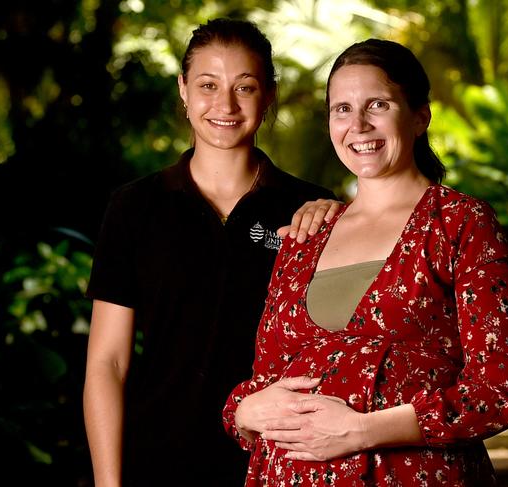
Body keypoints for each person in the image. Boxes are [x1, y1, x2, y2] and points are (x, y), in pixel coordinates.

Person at [223, 38, 508, 486]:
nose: (359, 125)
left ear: (420, 117)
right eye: (342, 109)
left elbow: (502, 387)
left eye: (378, 105)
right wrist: (244, 411)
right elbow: (265, 379)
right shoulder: (307, 236)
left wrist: (363, 431)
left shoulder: (460, 223)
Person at [82, 18, 339, 487]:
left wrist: (344, 222)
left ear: (269, 94)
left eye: (244, 86)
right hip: (156, 461)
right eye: (207, 85)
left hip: (280, 460)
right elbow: (107, 362)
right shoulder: (135, 207)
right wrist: (108, 483)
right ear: (183, 90)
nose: (225, 104)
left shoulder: (312, 211)